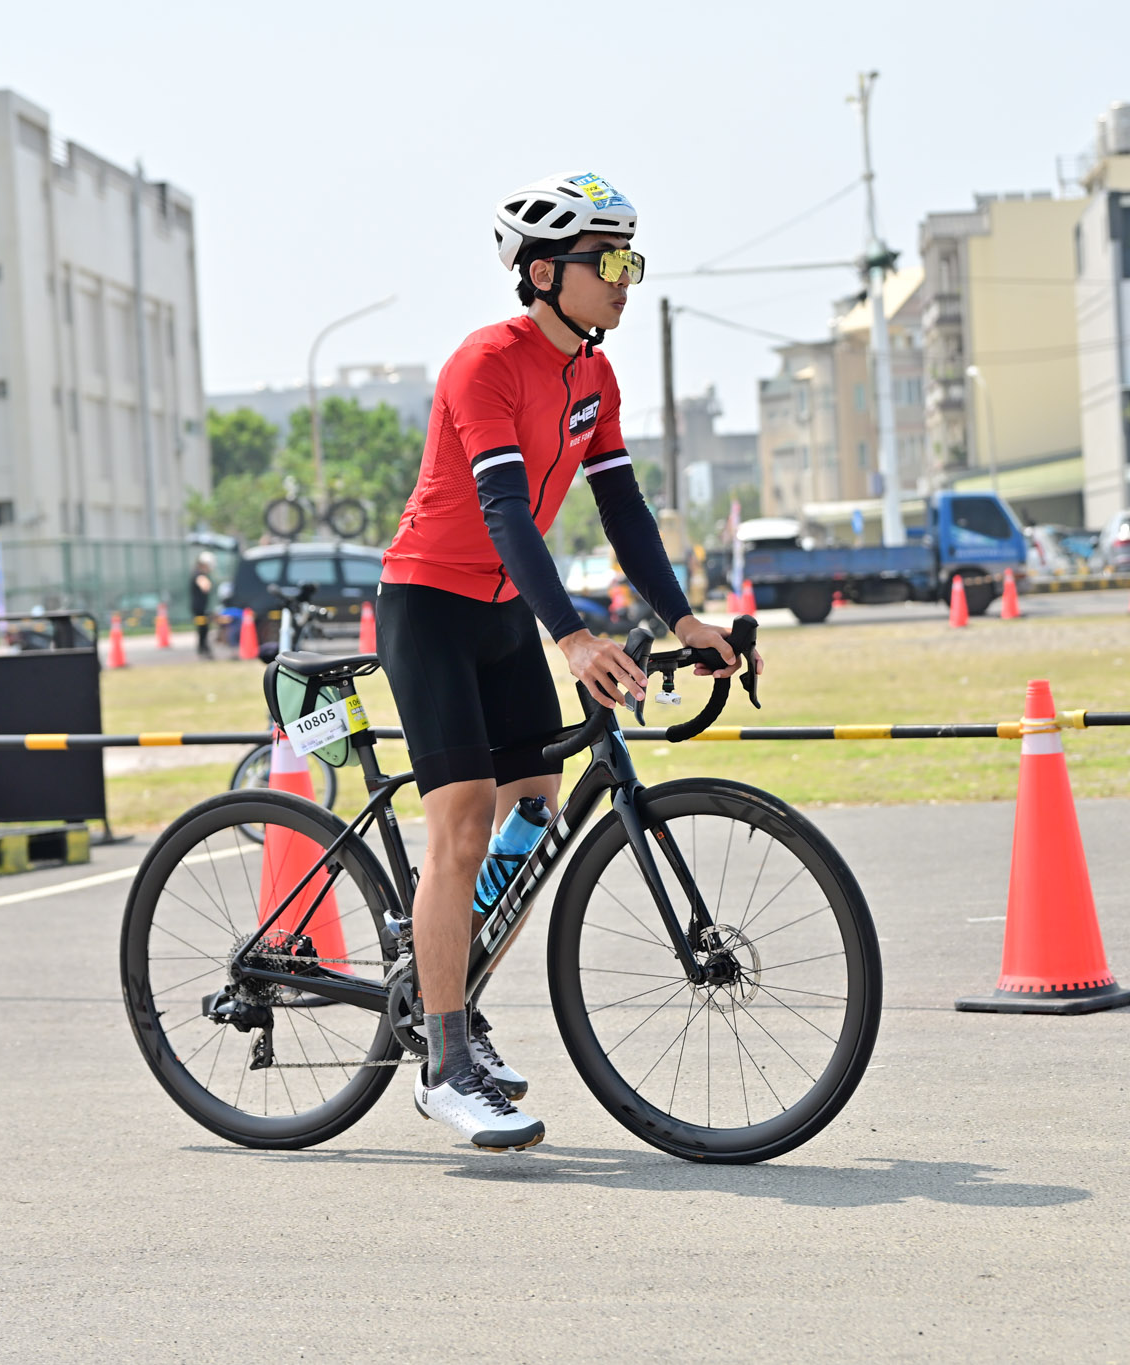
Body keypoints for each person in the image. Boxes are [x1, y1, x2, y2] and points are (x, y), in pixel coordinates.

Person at [376, 172, 762, 1150]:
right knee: (463, 824)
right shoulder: (485, 365)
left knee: (535, 813)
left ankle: (448, 992)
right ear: (545, 273)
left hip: (505, 608)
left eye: (632, 260)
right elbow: (504, 509)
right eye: (609, 261)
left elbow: (622, 510)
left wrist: (683, 620)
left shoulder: (594, 378)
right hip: (429, 604)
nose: (626, 279)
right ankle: (445, 1064)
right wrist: (571, 636)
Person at [190, 553, 216, 658]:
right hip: (199, 608)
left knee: (204, 629)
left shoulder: (198, 574)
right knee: (202, 629)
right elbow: (205, 586)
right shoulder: (199, 575)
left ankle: (203, 648)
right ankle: (203, 649)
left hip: (201, 607)